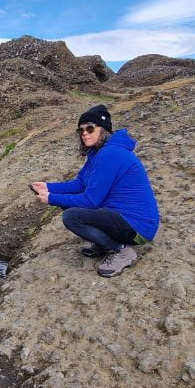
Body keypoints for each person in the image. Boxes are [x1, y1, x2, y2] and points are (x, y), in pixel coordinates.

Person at [31, 104, 160, 278]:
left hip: (138, 228)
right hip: (120, 218)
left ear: (104, 130)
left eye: (90, 128)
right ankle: (103, 244)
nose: (85, 133)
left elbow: (91, 201)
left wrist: (52, 198)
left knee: (72, 216)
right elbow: (80, 184)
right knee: (68, 202)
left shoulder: (110, 154)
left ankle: (120, 250)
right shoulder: (98, 154)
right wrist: (48, 187)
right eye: (81, 130)